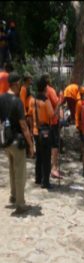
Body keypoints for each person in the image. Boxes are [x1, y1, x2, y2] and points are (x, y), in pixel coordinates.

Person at [0, 72, 34, 214]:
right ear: (16, 84)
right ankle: (20, 204)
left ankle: (13, 196)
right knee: (20, 172)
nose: (21, 85)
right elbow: (24, 126)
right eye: (20, 83)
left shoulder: (1, 99)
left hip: (6, 140)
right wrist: (31, 144)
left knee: (12, 171)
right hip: (17, 141)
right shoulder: (17, 101)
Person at [28, 77, 54, 189]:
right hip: (45, 132)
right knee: (46, 157)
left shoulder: (32, 100)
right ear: (45, 88)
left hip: (35, 131)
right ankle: (46, 182)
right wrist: (58, 106)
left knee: (39, 156)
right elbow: (52, 115)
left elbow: (29, 115)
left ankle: (38, 178)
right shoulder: (46, 101)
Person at [42, 73, 62, 179]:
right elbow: (57, 103)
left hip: (45, 121)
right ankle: (54, 168)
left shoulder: (41, 92)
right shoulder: (50, 90)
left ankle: (49, 167)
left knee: (48, 145)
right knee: (55, 145)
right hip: (53, 121)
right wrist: (61, 97)